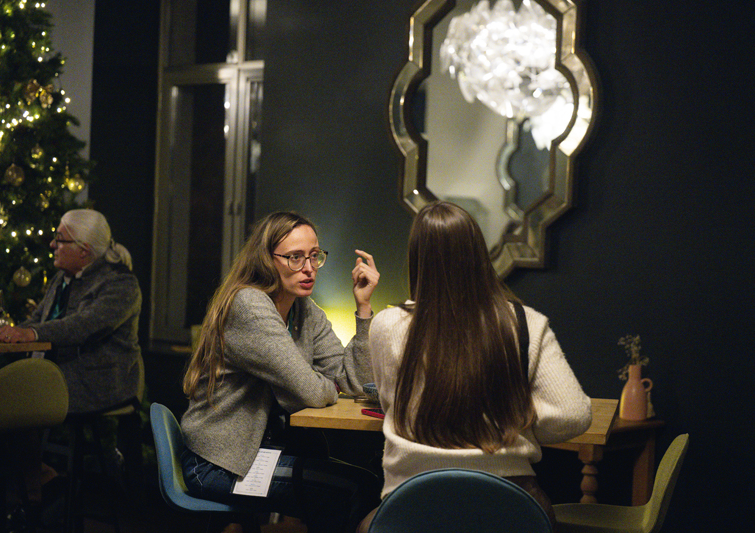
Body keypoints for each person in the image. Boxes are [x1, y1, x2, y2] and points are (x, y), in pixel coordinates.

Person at [358, 201, 592, 532]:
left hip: (414, 502)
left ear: (417, 258)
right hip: (510, 503)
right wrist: (511, 418)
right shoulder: (525, 321)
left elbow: (390, 404)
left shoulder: (386, 324)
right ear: (479, 254)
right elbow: (573, 416)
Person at [179, 211, 381, 533]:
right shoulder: (249, 306)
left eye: (315, 256)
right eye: (295, 258)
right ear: (267, 260)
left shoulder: (304, 310)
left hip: (263, 454)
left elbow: (354, 381)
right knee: (352, 490)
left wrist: (364, 308)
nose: (309, 268)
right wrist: (328, 386)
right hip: (220, 464)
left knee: (365, 482)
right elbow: (313, 391)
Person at [0, 209, 142, 415]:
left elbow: (83, 326)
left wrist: (32, 333)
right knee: (0, 401)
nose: (52, 245)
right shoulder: (61, 277)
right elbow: (38, 319)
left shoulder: (120, 283)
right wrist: (6, 334)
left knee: (11, 410)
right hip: (54, 379)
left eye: (60, 239)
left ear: (83, 250)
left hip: (97, 388)